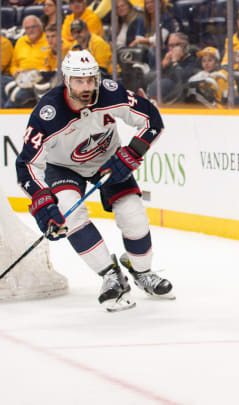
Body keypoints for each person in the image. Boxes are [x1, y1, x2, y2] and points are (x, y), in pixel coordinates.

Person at [15, 50, 174, 312]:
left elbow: (152, 119)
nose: (87, 87)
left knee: (133, 216)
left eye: (91, 79)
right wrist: (43, 203)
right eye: (79, 81)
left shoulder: (111, 93)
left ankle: (142, 271)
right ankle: (110, 275)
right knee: (71, 214)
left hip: (109, 161)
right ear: (66, 79)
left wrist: (132, 152)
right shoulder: (47, 113)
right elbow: (27, 164)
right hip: (63, 167)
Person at [5, 15, 49, 108]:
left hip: (39, 79)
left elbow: (52, 65)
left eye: (33, 27)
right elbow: (13, 65)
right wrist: (15, 72)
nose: (30, 30)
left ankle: (7, 112)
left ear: (40, 27)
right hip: (20, 78)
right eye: (27, 28)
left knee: (18, 94)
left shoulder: (49, 40)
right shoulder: (20, 41)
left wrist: (36, 73)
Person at [145, 32, 200, 103]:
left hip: (175, 103)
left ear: (185, 45)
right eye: (170, 45)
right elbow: (148, 77)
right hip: (154, 99)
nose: (172, 49)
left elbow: (182, 79)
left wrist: (175, 62)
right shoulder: (167, 60)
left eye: (176, 45)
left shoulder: (193, 61)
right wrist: (163, 65)